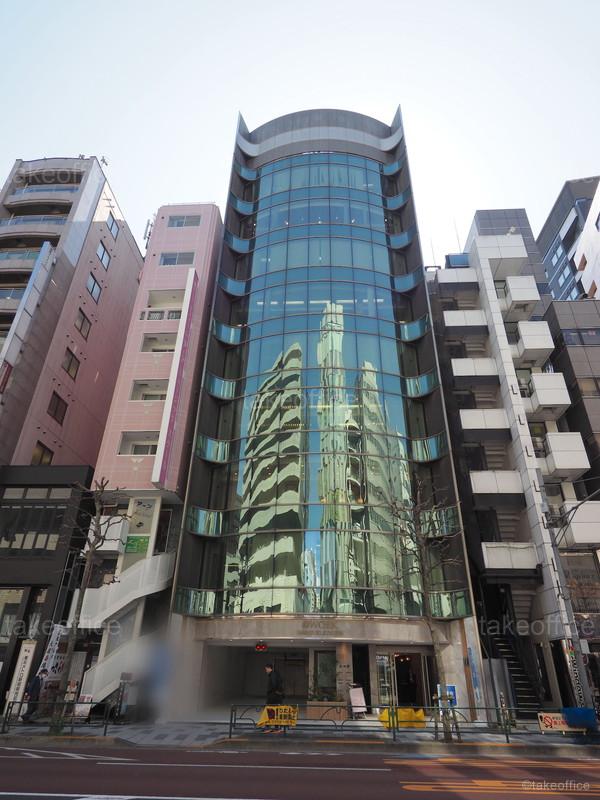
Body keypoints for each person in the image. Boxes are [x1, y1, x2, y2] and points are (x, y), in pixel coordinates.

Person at [264, 663, 284, 734]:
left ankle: (268, 728)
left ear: (269, 668)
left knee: (269, 712)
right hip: (277, 697)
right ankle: (277, 728)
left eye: (266, 669)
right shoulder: (276, 674)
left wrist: (270, 691)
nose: (266, 671)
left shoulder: (272, 675)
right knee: (276, 712)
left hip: (272, 697)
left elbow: (274, 685)